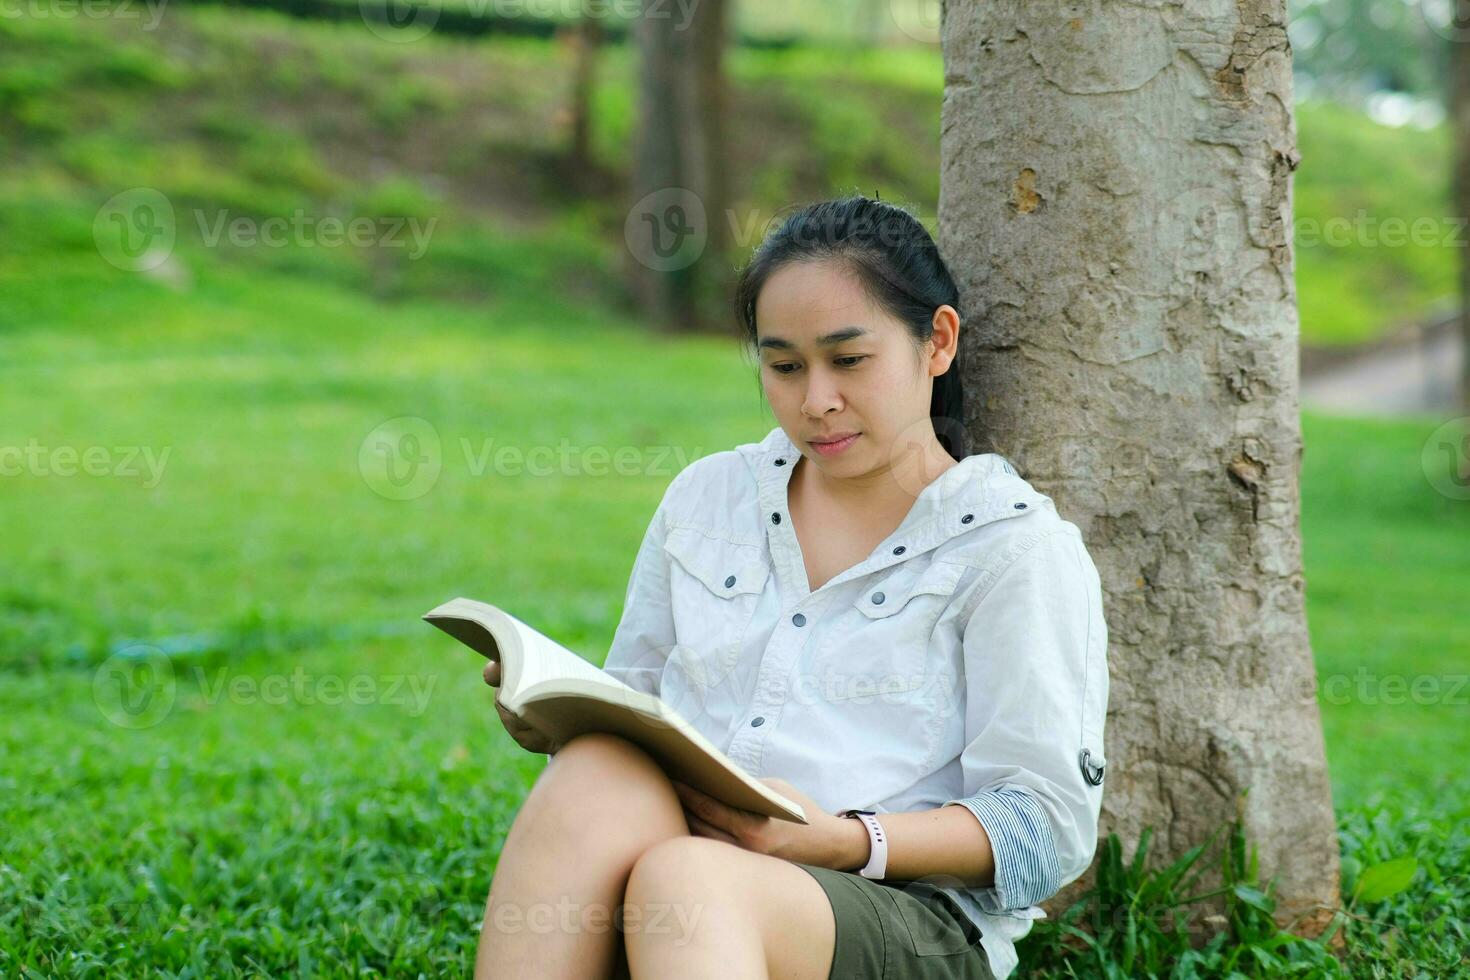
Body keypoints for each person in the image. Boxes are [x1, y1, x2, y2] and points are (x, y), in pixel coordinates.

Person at [475, 194, 1110, 979]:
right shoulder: (710, 498)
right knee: (598, 773)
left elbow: (1045, 829)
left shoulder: (1013, 549)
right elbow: (634, 703)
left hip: (902, 916)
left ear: (936, 342)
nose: (816, 402)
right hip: (688, 873)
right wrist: (560, 715)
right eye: (784, 366)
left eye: (848, 361)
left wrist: (843, 838)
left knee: (693, 883)